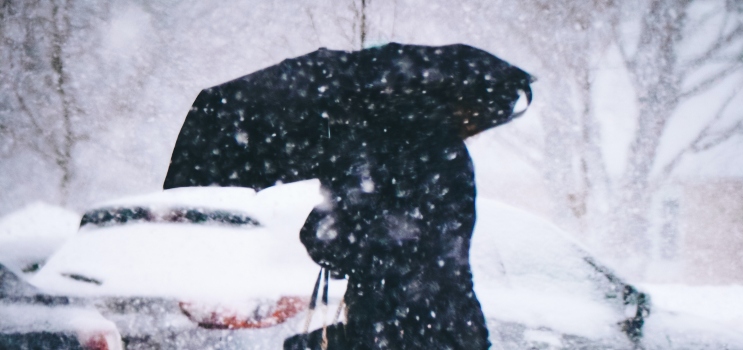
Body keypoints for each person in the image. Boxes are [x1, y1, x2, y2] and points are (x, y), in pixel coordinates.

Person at [163, 43, 532, 349]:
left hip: (388, 327)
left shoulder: (371, 148)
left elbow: (330, 240)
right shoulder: (451, 156)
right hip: (454, 326)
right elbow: (442, 246)